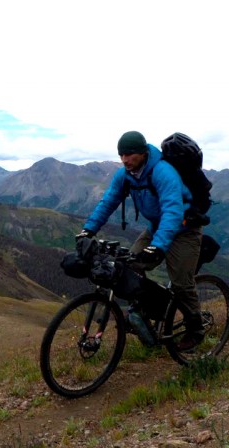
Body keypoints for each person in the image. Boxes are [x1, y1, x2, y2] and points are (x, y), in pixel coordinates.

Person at [76, 131, 204, 350]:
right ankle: (144, 312)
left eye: (130, 154)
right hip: (156, 227)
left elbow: (173, 211)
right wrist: (88, 230)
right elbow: (108, 202)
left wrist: (158, 247)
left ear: (143, 153)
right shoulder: (124, 175)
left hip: (185, 230)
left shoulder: (163, 172)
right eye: (122, 155)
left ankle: (196, 328)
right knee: (129, 265)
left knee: (182, 283)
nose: (125, 159)